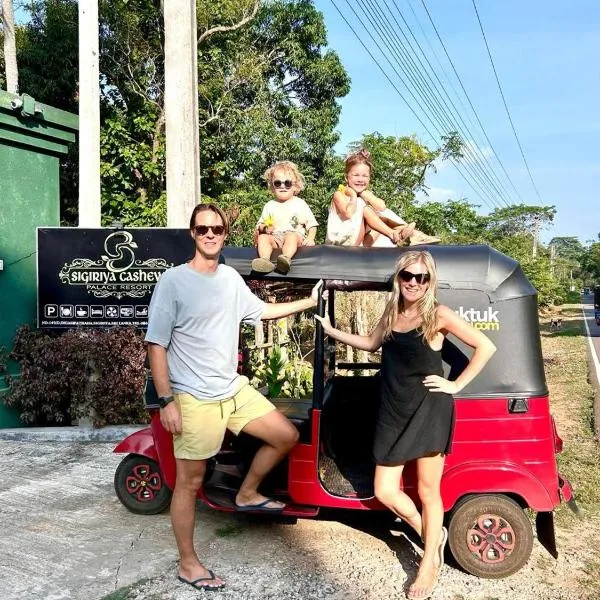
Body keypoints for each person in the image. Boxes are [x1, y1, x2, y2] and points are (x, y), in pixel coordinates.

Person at [145, 203, 323, 592]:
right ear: (192, 234)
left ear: (225, 234)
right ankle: (188, 564)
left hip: (232, 389)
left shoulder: (228, 278)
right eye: (203, 228)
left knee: (285, 435)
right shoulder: (172, 282)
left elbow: (261, 312)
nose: (210, 234)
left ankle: (247, 492)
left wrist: (309, 303)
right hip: (193, 397)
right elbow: (156, 344)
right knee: (189, 483)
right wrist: (167, 400)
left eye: (217, 229)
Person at [315, 250, 496, 600]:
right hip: (393, 410)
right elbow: (370, 344)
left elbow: (485, 347)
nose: (413, 282)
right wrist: (331, 330)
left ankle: (428, 562)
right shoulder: (392, 311)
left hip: (429, 409)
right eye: (407, 276)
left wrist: (455, 385)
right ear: (398, 278)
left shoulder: (438, 315)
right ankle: (431, 534)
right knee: (385, 490)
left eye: (421, 277)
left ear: (430, 282)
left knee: (429, 492)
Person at [326, 149, 440, 247]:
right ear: (346, 178)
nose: (360, 179)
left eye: (365, 176)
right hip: (342, 243)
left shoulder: (363, 196)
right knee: (366, 209)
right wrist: (353, 195)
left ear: (370, 178)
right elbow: (348, 214)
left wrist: (367, 194)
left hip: (359, 243)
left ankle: (409, 234)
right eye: (356, 175)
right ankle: (395, 234)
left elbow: (382, 207)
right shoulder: (339, 194)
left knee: (381, 216)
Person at [252, 160, 318, 275]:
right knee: (263, 238)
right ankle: (264, 260)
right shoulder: (270, 205)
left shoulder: (300, 203)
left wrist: (311, 238)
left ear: (295, 186)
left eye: (287, 183)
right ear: (272, 187)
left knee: (291, 236)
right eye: (278, 183)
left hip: (294, 236)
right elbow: (260, 225)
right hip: (275, 238)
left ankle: (285, 259)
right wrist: (265, 229)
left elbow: (312, 225)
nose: (283, 186)